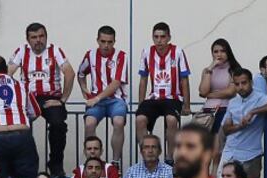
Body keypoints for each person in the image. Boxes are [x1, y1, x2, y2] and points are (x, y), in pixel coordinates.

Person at [8, 22, 75, 178]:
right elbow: (7, 73)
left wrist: (62, 100)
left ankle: (56, 166)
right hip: (27, 97)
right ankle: (22, 168)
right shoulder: (21, 51)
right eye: (34, 37)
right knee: (19, 128)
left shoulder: (55, 50)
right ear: (28, 39)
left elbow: (70, 73)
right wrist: (14, 98)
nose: (38, 40)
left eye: (41, 36)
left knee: (58, 124)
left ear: (46, 36)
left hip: (50, 97)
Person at [136, 22, 191, 164]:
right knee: (140, 119)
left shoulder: (178, 52)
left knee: (171, 120)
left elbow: (184, 79)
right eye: (156, 37)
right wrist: (141, 103)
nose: (159, 40)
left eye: (162, 37)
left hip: (173, 97)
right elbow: (143, 79)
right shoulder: (147, 52)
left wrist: (187, 105)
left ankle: (169, 158)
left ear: (169, 37)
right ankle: (147, 157)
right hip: (154, 97)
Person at [221, 68, 267, 178]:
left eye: (244, 83)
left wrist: (253, 112)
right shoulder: (233, 102)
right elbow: (226, 129)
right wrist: (239, 126)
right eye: (237, 84)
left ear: (251, 82)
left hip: (251, 154)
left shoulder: (260, 98)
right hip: (230, 153)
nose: (241, 87)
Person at [78, 26, 128, 167]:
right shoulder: (90, 55)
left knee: (118, 122)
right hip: (96, 101)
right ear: (97, 40)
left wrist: (96, 98)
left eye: (110, 42)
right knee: (89, 123)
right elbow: (80, 73)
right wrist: (85, 92)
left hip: (116, 99)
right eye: (103, 41)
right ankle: (91, 160)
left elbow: (117, 82)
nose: (106, 45)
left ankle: (115, 162)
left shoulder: (121, 56)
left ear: (114, 42)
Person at [198, 38, 240, 167]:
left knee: (217, 150)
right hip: (207, 113)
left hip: (224, 110)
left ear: (228, 52)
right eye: (215, 51)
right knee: (203, 151)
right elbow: (202, 90)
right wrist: (210, 68)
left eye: (222, 51)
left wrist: (210, 95)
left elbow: (230, 92)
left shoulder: (234, 69)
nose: (219, 54)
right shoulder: (208, 70)